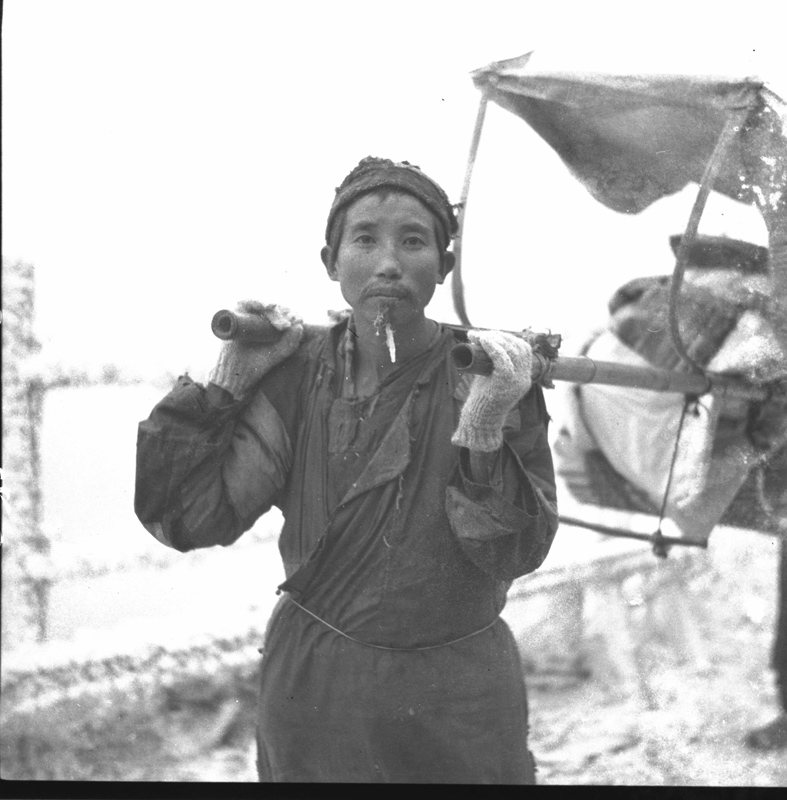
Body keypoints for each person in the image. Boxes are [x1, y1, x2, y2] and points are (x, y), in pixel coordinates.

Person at [134, 157, 559, 783]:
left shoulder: (493, 375)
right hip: (318, 691)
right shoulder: (296, 377)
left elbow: (516, 551)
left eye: (412, 241)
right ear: (331, 262)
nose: (388, 263)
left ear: (443, 266)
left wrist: (483, 427)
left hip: (459, 698)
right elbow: (189, 519)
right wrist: (227, 384)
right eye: (364, 240)